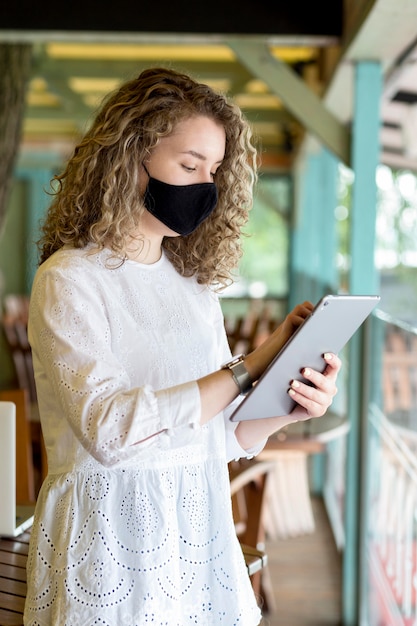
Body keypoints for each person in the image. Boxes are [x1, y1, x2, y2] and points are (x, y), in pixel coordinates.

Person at [24, 67, 341, 626]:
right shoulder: (69, 280)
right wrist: (251, 364)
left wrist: (283, 406)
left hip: (198, 535)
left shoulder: (193, 287)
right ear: (128, 157)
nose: (203, 185)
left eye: (214, 170)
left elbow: (217, 438)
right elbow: (111, 430)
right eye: (189, 165)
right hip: (109, 547)